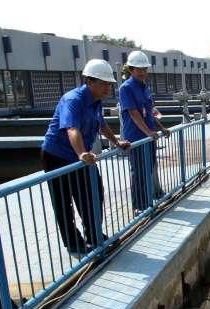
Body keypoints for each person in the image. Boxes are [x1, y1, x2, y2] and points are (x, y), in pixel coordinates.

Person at [41, 59, 130, 254]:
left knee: (94, 193)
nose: (108, 87)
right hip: (57, 155)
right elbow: (72, 129)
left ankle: (94, 235)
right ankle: (73, 242)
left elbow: (101, 124)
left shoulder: (96, 101)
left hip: (82, 156)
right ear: (89, 81)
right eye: (103, 83)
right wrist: (82, 153)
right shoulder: (73, 100)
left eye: (109, 84)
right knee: (63, 201)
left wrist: (116, 142)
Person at [118, 51, 171, 214]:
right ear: (131, 70)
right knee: (138, 172)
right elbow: (134, 113)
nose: (142, 72)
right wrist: (148, 132)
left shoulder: (144, 87)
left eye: (144, 69)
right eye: (138, 69)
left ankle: (147, 200)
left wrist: (160, 127)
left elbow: (149, 111)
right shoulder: (126, 88)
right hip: (136, 137)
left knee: (148, 169)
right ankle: (138, 206)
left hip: (148, 137)